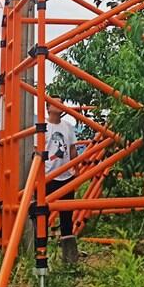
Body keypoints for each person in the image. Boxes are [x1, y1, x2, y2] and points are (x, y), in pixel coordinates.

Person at [44, 105, 79, 264]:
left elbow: (72, 149)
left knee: (67, 218)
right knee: (42, 217)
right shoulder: (43, 127)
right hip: (48, 177)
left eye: (62, 102)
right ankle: (41, 256)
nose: (61, 105)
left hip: (66, 176)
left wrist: (76, 169)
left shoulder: (67, 126)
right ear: (48, 108)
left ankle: (69, 259)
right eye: (56, 102)